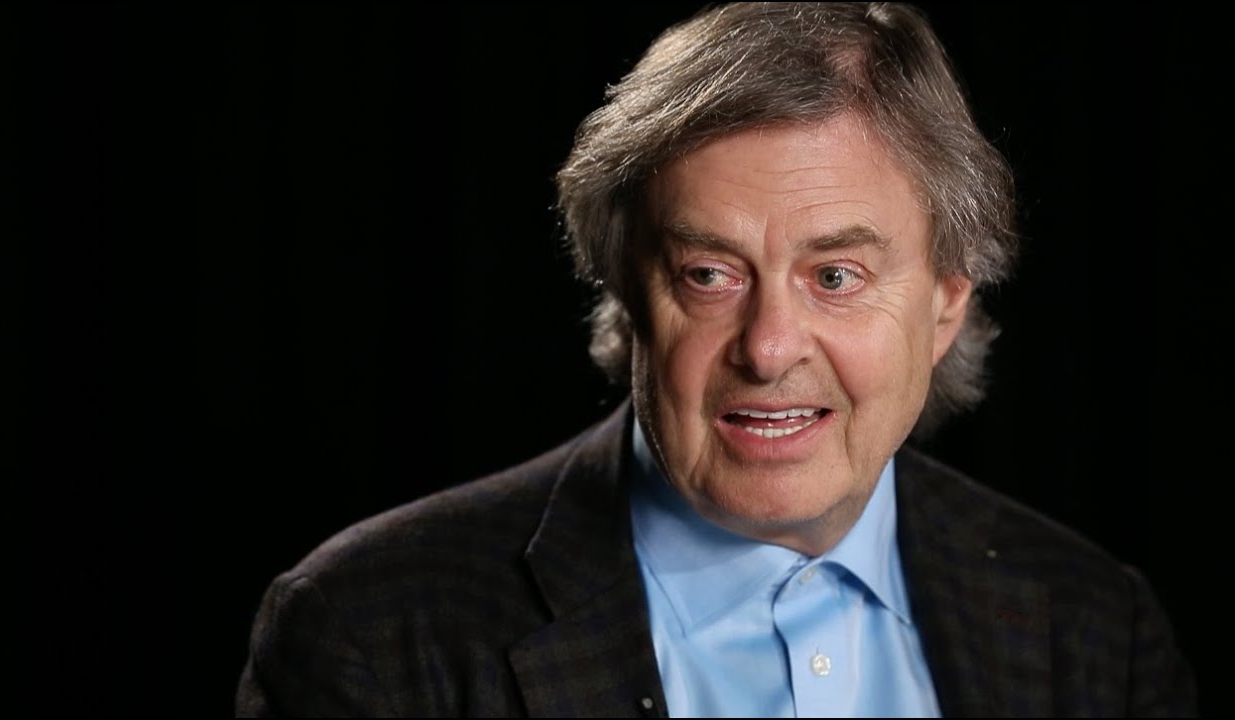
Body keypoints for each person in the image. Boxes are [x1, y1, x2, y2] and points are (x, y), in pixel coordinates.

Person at [235, 3, 1196, 717]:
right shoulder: (370, 634)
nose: (769, 348)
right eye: (708, 274)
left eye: (836, 276)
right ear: (626, 290)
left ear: (947, 303)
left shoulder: (1095, 632)